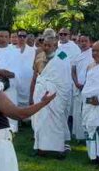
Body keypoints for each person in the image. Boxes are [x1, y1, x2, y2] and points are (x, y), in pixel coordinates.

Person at [31, 30, 72, 158]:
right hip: (40, 94)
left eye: (50, 45)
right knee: (41, 121)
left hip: (56, 96)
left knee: (55, 122)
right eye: (45, 45)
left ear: (55, 45)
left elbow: (65, 77)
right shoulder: (39, 56)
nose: (47, 47)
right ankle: (41, 148)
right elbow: (37, 75)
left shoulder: (62, 56)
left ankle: (57, 149)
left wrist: (52, 89)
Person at [0, 30, 21, 132]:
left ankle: (12, 130)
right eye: (1, 36)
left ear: (9, 38)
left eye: (6, 36)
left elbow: (18, 71)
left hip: (10, 85)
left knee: (10, 109)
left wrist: (8, 73)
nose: (3, 39)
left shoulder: (15, 51)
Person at [70, 35, 93, 141]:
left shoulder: (94, 53)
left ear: (89, 42)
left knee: (88, 111)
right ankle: (79, 135)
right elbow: (73, 71)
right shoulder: (77, 55)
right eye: (81, 41)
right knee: (77, 112)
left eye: (85, 41)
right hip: (78, 87)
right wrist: (76, 83)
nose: (83, 43)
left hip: (90, 87)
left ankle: (89, 134)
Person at [14, 30, 36, 108]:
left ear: (26, 37)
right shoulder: (11, 50)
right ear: (17, 37)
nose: (22, 38)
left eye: (24, 36)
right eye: (20, 36)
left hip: (28, 83)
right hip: (15, 83)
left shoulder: (33, 50)